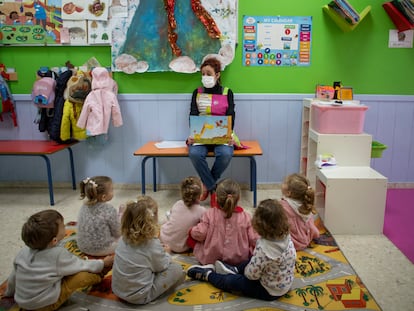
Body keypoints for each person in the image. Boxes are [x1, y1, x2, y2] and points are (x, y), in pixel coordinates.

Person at [2, 209, 113, 310]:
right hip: (44, 306)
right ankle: (100, 276)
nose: (65, 227)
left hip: (23, 302)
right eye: (63, 226)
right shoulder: (57, 254)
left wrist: (9, 293)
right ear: (54, 240)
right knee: (83, 275)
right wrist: (102, 263)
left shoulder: (23, 251)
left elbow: (14, 276)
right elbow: (82, 265)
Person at [187, 199, 296, 301]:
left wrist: (246, 270)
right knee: (253, 260)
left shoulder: (264, 250)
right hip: (284, 283)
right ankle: (234, 269)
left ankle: (209, 275)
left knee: (232, 281)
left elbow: (251, 276)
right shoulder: (286, 236)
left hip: (267, 291)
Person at [111, 196, 185, 304]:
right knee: (177, 268)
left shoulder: (123, 238)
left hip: (117, 290)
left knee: (146, 263)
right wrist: (167, 254)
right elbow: (162, 266)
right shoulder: (151, 243)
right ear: (152, 220)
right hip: (140, 296)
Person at [186, 57, 235, 207]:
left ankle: (206, 185)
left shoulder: (227, 92)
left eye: (209, 73)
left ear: (217, 74)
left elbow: (231, 115)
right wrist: (193, 135)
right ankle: (214, 189)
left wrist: (229, 135)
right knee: (194, 153)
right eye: (203, 74)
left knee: (226, 154)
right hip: (200, 136)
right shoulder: (197, 92)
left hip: (222, 136)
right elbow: (193, 115)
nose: (205, 77)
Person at [189, 178, 259, 265]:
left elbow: (200, 233)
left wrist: (191, 231)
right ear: (239, 198)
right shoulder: (246, 217)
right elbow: (254, 239)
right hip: (238, 260)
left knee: (194, 239)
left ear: (216, 198)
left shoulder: (209, 214)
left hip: (211, 259)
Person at [76, 176, 122, 256]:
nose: (113, 191)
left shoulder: (84, 206)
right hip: (103, 249)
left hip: (83, 246)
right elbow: (118, 233)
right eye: (112, 190)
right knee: (129, 237)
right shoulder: (109, 209)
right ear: (104, 197)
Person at [160, 176, 206, 253]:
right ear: (201, 195)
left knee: (168, 218)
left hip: (164, 238)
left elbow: (171, 215)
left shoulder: (178, 203)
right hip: (180, 247)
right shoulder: (202, 211)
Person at [280, 173, 320, 250]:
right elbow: (310, 224)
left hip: (292, 243)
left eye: (285, 183)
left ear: (289, 193)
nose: (282, 183)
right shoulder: (307, 203)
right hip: (306, 238)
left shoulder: (283, 205)